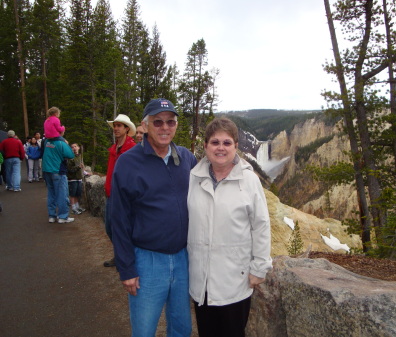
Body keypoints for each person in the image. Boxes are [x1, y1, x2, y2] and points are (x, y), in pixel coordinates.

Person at [110, 98, 197, 337]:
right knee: (144, 329)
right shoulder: (128, 163)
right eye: (157, 122)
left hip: (182, 259)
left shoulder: (187, 158)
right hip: (146, 260)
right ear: (145, 125)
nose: (165, 127)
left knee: (181, 328)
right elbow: (117, 219)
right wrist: (126, 268)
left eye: (171, 122)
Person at [187, 117, 273, 337]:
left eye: (227, 143)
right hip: (202, 281)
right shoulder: (194, 178)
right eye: (215, 142)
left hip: (235, 280)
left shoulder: (249, 181)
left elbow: (261, 225)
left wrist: (259, 266)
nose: (221, 148)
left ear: (236, 146)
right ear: (205, 146)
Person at [103, 114, 136, 268]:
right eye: (115, 125)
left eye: (119, 126)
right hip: (111, 194)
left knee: (123, 229)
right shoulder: (114, 149)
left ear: (127, 129)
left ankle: (125, 258)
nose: (116, 128)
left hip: (124, 196)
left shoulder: (133, 149)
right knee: (109, 227)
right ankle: (119, 255)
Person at [42, 131, 75, 223]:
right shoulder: (61, 142)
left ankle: (52, 216)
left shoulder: (47, 141)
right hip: (58, 170)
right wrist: (67, 144)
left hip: (46, 170)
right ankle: (63, 216)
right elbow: (70, 155)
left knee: (51, 193)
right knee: (62, 193)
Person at [67, 143, 86, 215]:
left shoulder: (79, 156)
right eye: (72, 147)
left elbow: (81, 167)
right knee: (73, 194)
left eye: (75, 146)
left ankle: (77, 206)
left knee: (78, 193)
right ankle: (73, 208)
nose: (74, 148)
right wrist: (78, 167)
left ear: (78, 148)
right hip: (73, 178)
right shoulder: (70, 158)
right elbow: (69, 169)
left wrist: (85, 173)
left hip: (79, 178)